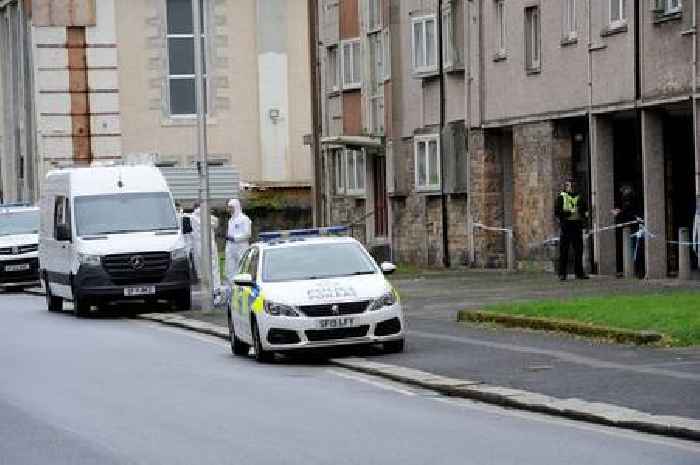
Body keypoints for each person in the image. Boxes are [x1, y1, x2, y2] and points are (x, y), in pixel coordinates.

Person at [555, 178, 589, 281]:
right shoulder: (561, 197)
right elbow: (557, 212)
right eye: (570, 185)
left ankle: (579, 273)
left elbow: (585, 211)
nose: (573, 187)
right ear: (566, 187)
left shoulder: (580, 197)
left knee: (579, 250)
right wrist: (570, 212)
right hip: (566, 226)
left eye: (574, 185)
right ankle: (562, 274)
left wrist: (584, 218)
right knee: (564, 251)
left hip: (577, 225)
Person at [225, 198, 252, 284]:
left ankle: (242, 286)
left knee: (242, 267)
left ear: (236, 207)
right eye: (229, 207)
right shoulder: (231, 220)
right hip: (231, 247)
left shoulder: (244, 219)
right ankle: (232, 286)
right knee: (230, 268)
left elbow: (247, 234)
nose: (229, 209)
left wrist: (235, 238)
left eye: (231, 207)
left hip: (241, 247)